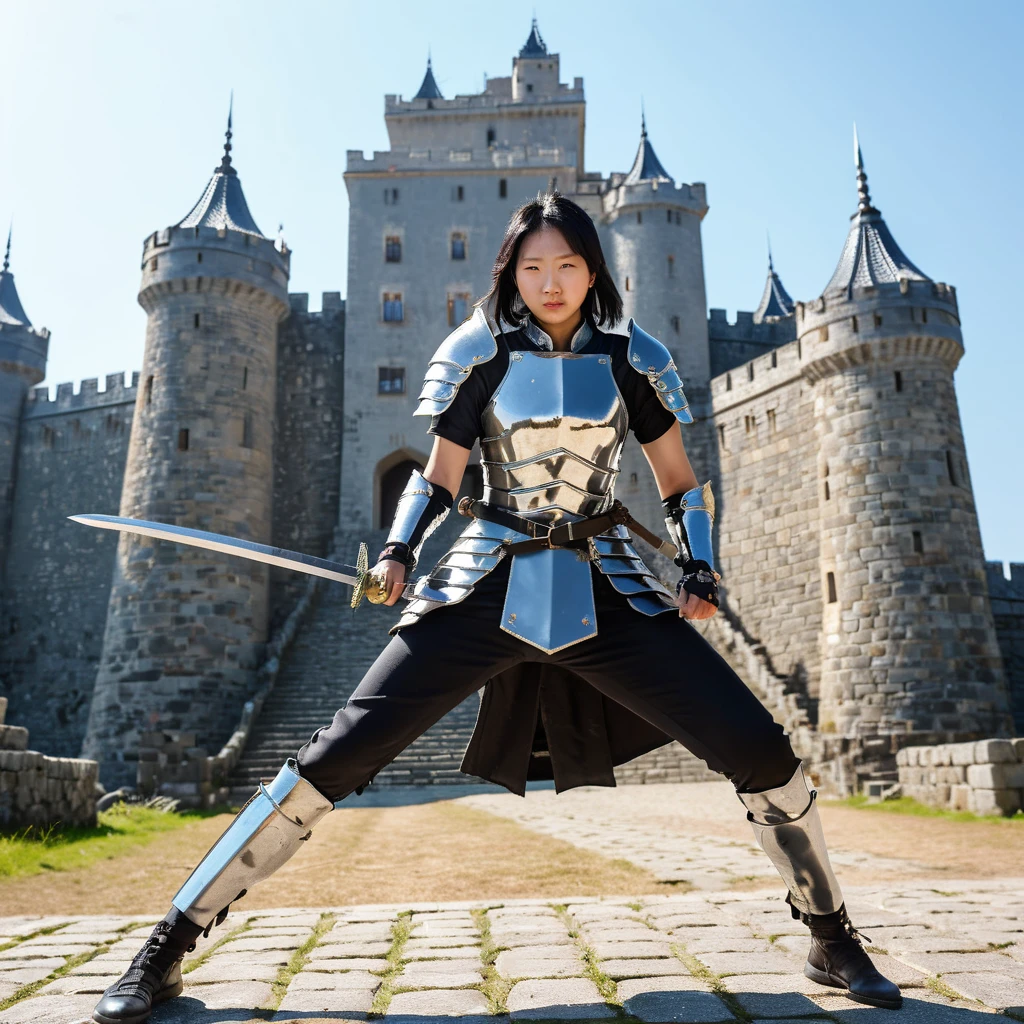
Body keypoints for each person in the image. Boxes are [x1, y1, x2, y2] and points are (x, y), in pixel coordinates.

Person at [91, 193, 901, 1024]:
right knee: (331, 758)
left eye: (569, 265)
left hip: (606, 583)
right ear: (512, 272)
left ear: (594, 270)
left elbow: (680, 483)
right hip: (485, 582)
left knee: (760, 748)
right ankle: (165, 946)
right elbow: (437, 476)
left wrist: (700, 564)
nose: (551, 282)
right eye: (534, 266)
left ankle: (831, 936)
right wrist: (404, 549)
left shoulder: (635, 357)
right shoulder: (474, 350)